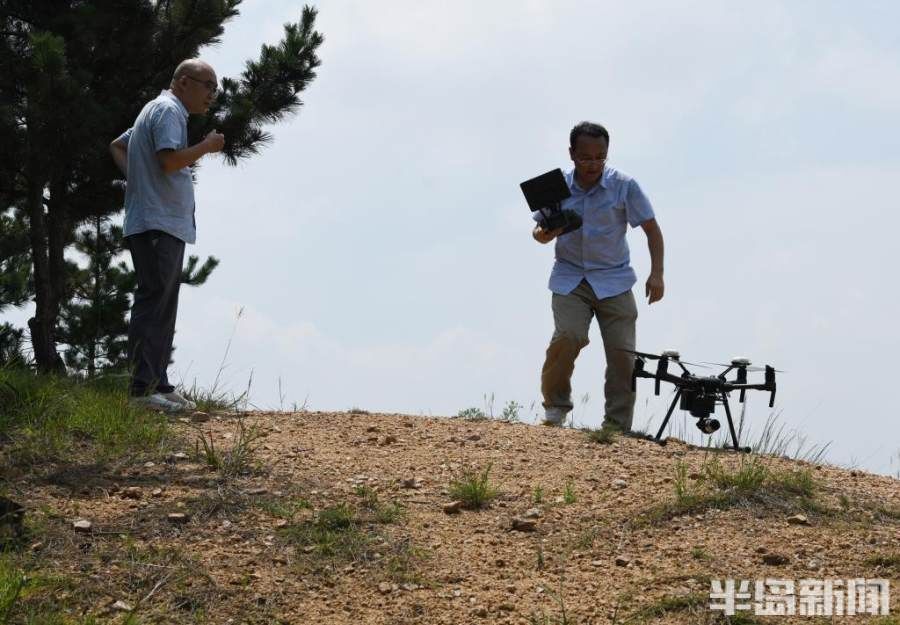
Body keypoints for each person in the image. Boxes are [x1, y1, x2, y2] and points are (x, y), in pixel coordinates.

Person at [109, 59, 225, 412]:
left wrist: (138, 183)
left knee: (161, 302)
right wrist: (206, 146)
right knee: (154, 300)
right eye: (209, 86)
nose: (212, 95)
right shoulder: (169, 110)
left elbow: (118, 145)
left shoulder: (156, 109)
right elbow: (169, 161)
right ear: (185, 82)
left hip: (157, 219)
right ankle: (143, 390)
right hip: (157, 222)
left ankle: (158, 383)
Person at [533, 121, 665, 431]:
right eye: (585, 157)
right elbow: (539, 235)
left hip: (614, 280)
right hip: (570, 279)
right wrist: (549, 231)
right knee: (568, 336)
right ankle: (555, 408)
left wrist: (656, 274)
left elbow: (652, 230)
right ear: (571, 154)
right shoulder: (556, 186)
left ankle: (616, 427)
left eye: (600, 157)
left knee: (623, 355)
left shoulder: (624, 185)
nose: (593, 164)